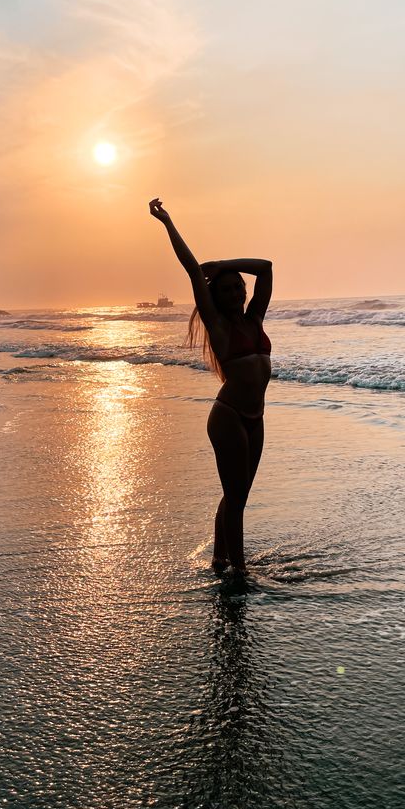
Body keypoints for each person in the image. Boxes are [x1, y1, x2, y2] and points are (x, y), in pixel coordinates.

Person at [149, 198, 273, 575]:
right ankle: (239, 569)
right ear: (215, 298)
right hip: (229, 417)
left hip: (256, 416)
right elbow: (191, 269)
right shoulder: (218, 326)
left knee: (238, 496)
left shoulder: (255, 317)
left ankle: (221, 558)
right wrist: (168, 222)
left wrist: (224, 266)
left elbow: (265, 268)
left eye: (239, 288)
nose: (237, 293)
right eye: (228, 290)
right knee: (236, 499)